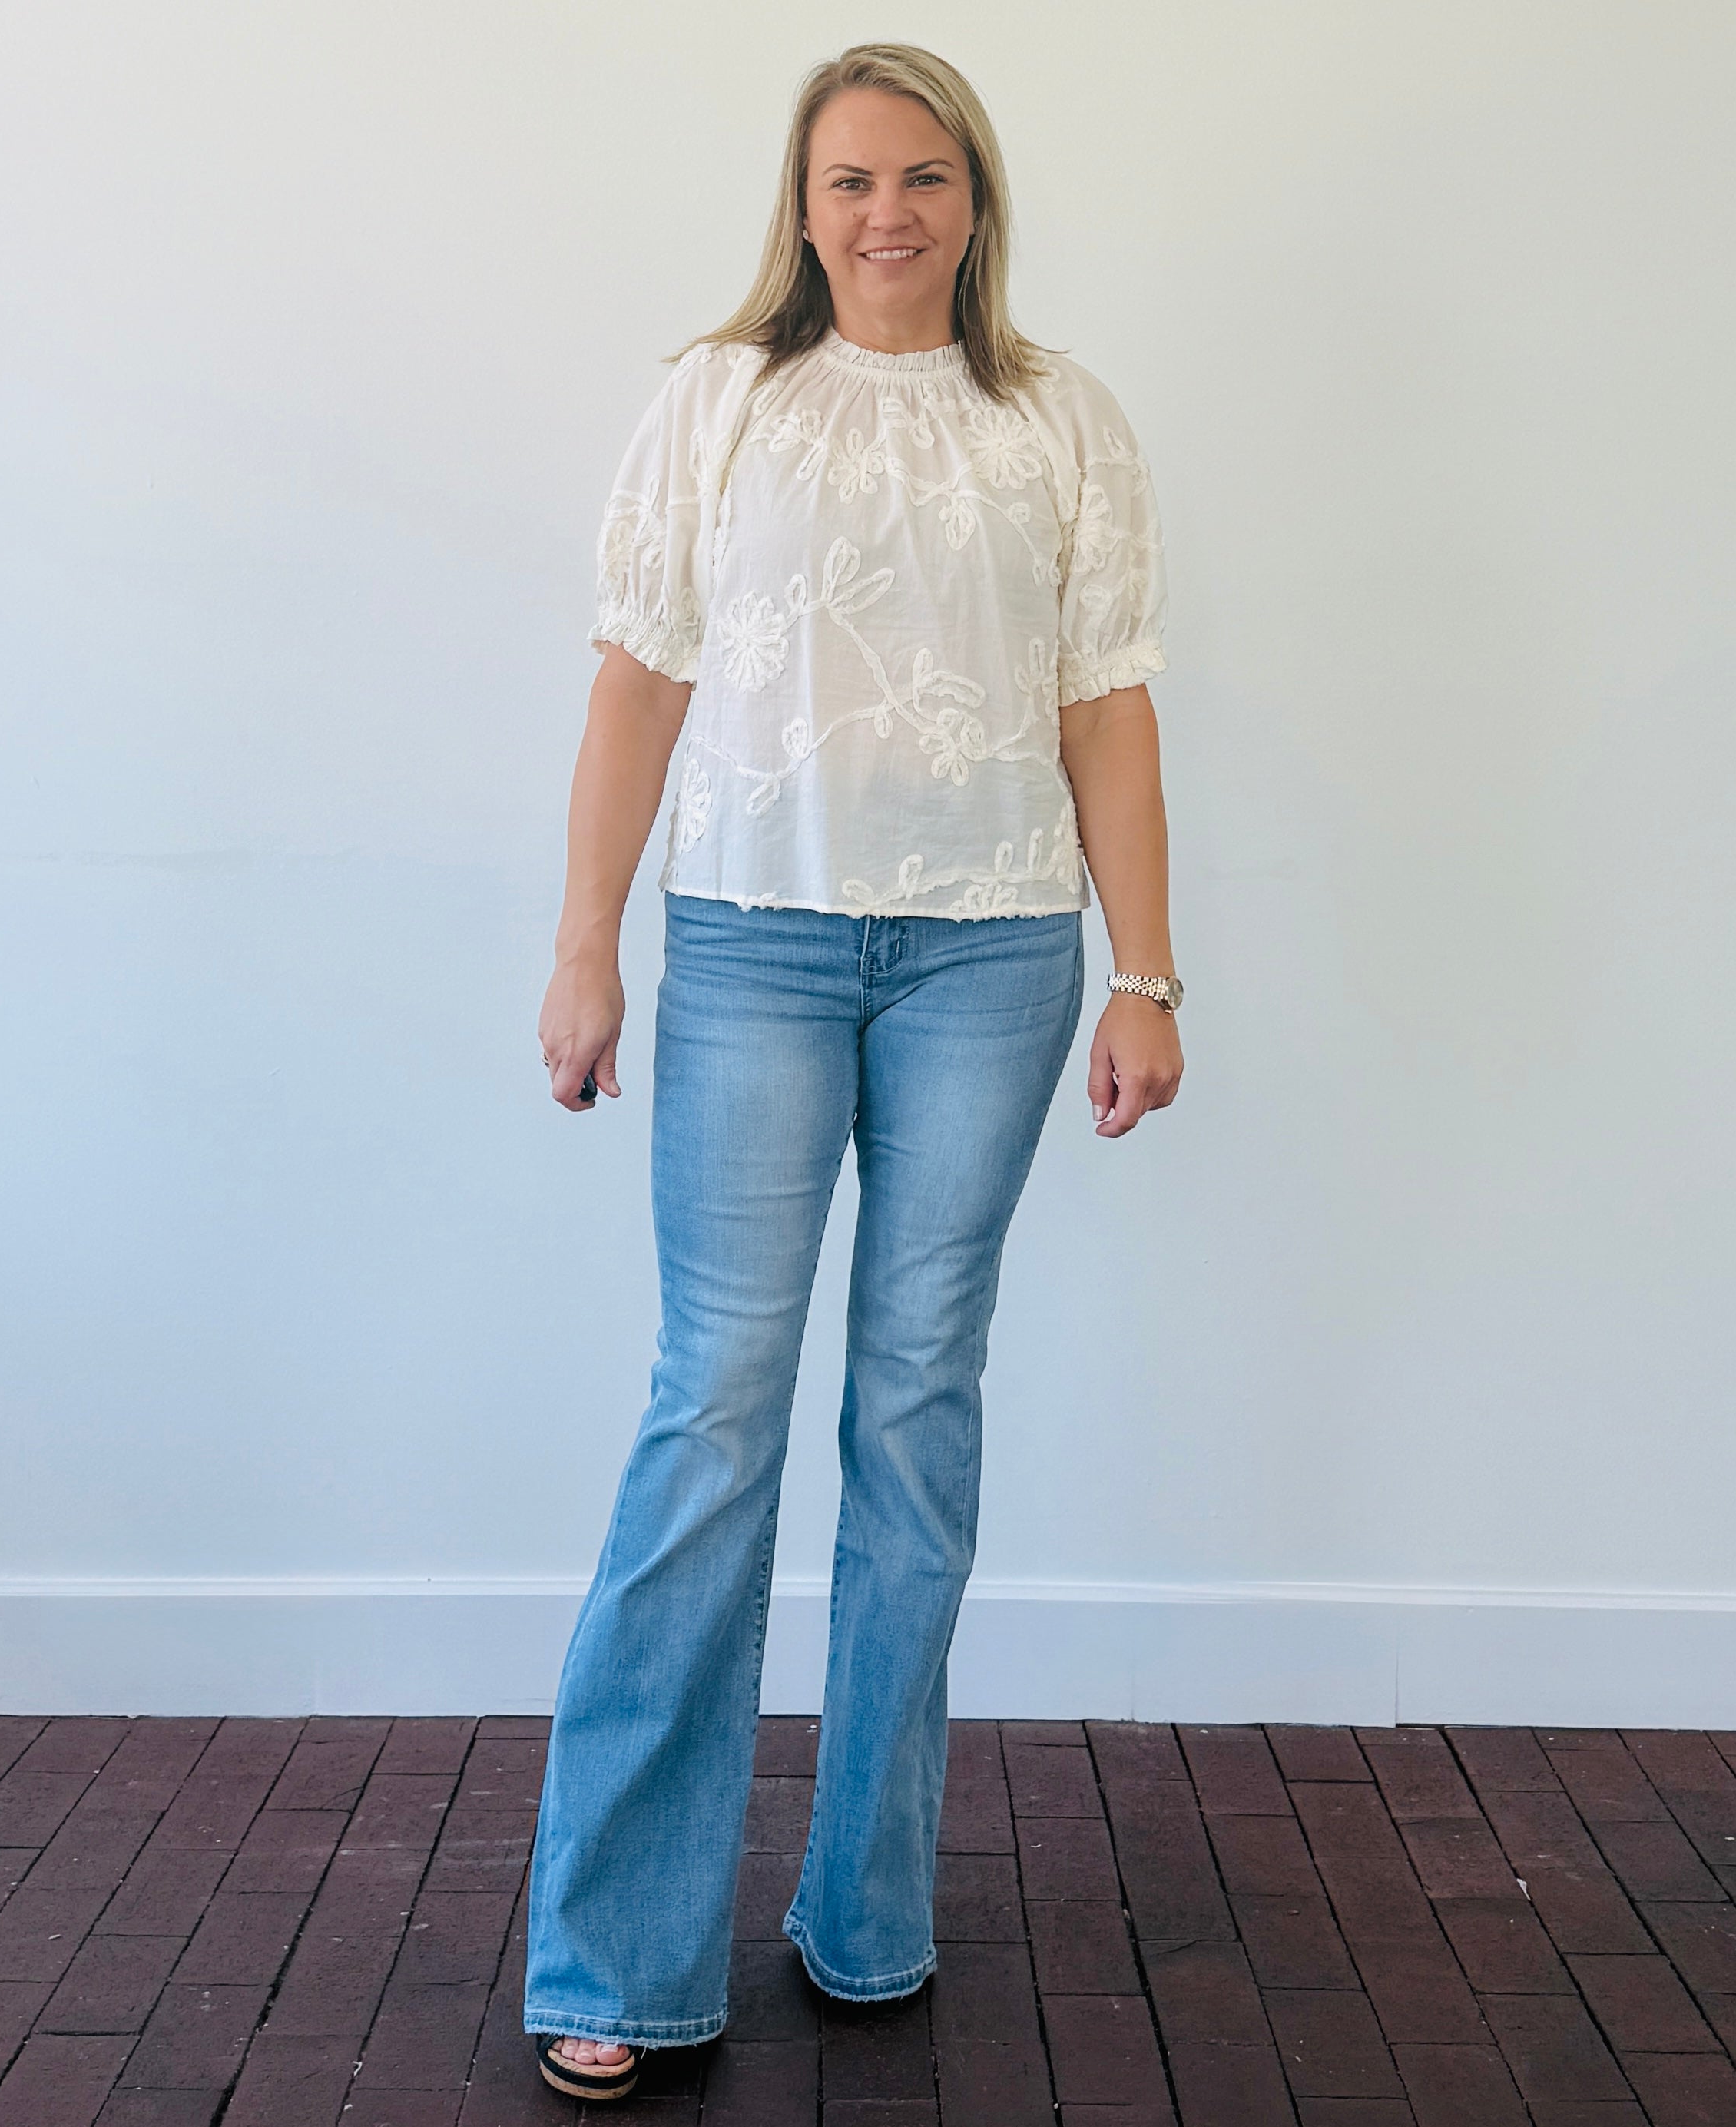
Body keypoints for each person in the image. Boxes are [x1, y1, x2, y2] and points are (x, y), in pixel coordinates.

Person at [524, 41, 1183, 2104]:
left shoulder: (1058, 417)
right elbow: (637, 679)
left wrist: (1146, 974)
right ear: (800, 211)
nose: (885, 212)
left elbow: (1106, 704)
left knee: (914, 1407)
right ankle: (616, 1952)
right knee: (715, 1406)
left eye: (921, 177)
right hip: (753, 943)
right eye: (847, 182)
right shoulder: (722, 399)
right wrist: (586, 945)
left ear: (974, 199)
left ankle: (869, 1910)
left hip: (993, 951)